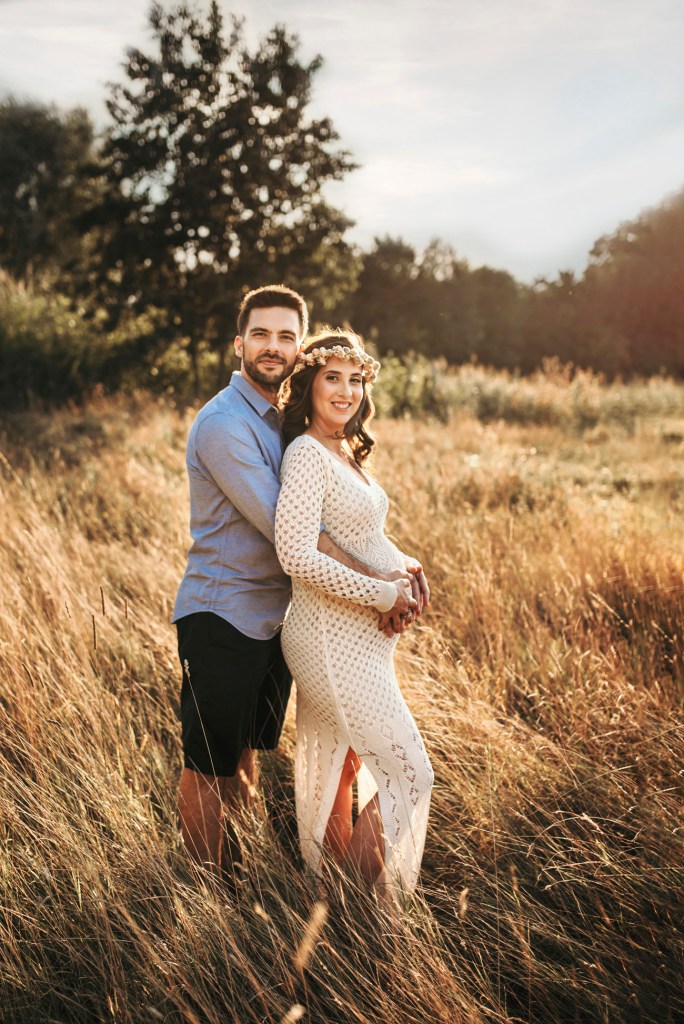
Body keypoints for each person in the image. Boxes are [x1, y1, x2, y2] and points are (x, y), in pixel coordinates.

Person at [172, 286, 417, 877]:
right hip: (223, 615)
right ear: (239, 343)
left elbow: (337, 515)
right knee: (208, 766)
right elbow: (289, 531)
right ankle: (209, 895)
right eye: (260, 334)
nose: (272, 346)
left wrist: (402, 564)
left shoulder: (283, 421)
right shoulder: (224, 424)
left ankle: (246, 871)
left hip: (278, 620)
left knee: (246, 755)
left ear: (300, 347)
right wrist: (380, 583)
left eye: (286, 336)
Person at [275, 330, 434, 903]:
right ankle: (364, 909)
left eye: (355, 379)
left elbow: (360, 535)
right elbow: (296, 554)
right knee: (410, 774)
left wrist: (406, 568)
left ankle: (330, 901)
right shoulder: (306, 453)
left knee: (337, 771)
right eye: (332, 378)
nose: (345, 391)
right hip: (327, 639)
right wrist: (381, 594)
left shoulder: (343, 449)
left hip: (356, 640)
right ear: (309, 385)